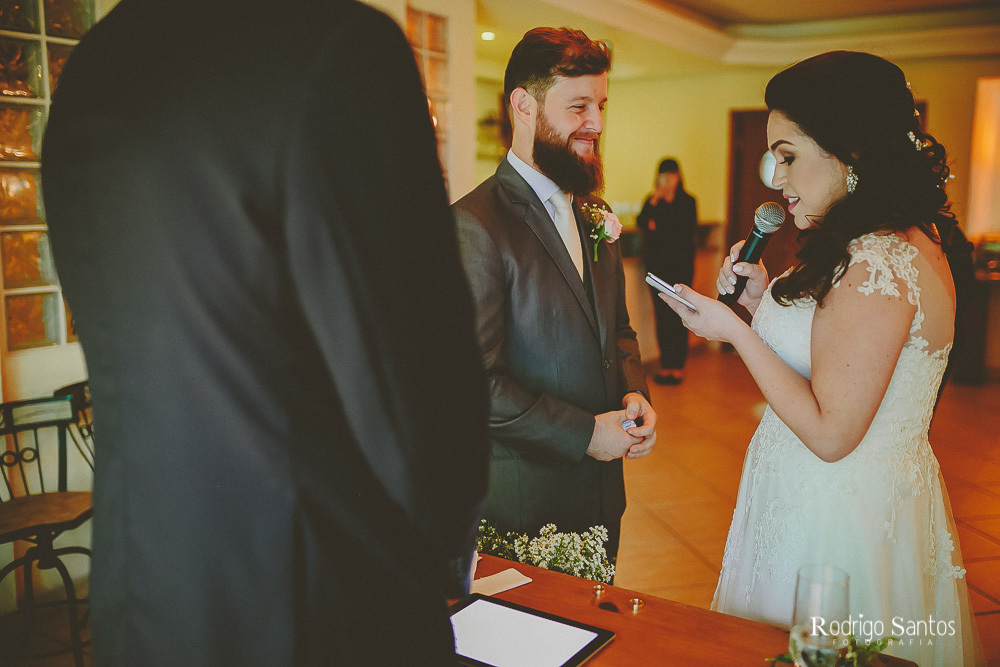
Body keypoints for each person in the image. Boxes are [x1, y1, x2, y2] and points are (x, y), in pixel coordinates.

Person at [41, 1, 489, 664]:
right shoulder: (341, 49)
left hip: (147, 600)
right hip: (324, 611)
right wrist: (450, 532)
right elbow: (425, 413)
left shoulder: (96, 65)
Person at [658, 51, 984, 665]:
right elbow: (834, 350)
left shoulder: (874, 264)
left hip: (837, 513)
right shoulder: (895, 241)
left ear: (849, 152)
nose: (776, 180)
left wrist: (734, 329)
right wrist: (760, 304)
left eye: (788, 156)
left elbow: (833, 432)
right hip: (841, 494)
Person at [452, 27, 657, 560]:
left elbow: (618, 330)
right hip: (526, 510)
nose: (598, 124)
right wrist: (586, 434)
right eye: (579, 107)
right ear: (524, 105)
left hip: (602, 501)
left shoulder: (593, 213)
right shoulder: (475, 224)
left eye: (602, 105)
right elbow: (476, 385)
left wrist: (635, 393)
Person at [637, 158, 698, 385]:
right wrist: (655, 201)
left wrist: (667, 207)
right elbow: (642, 222)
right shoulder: (652, 201)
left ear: (678, 177)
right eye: (664, 175)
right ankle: (665, 365)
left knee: (680, 314)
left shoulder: (688, 201)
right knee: (661, 316)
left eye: (671, 175)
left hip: (681, 268)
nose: (668, 180)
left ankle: (677, 366)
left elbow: (686, 230)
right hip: (657, 269)